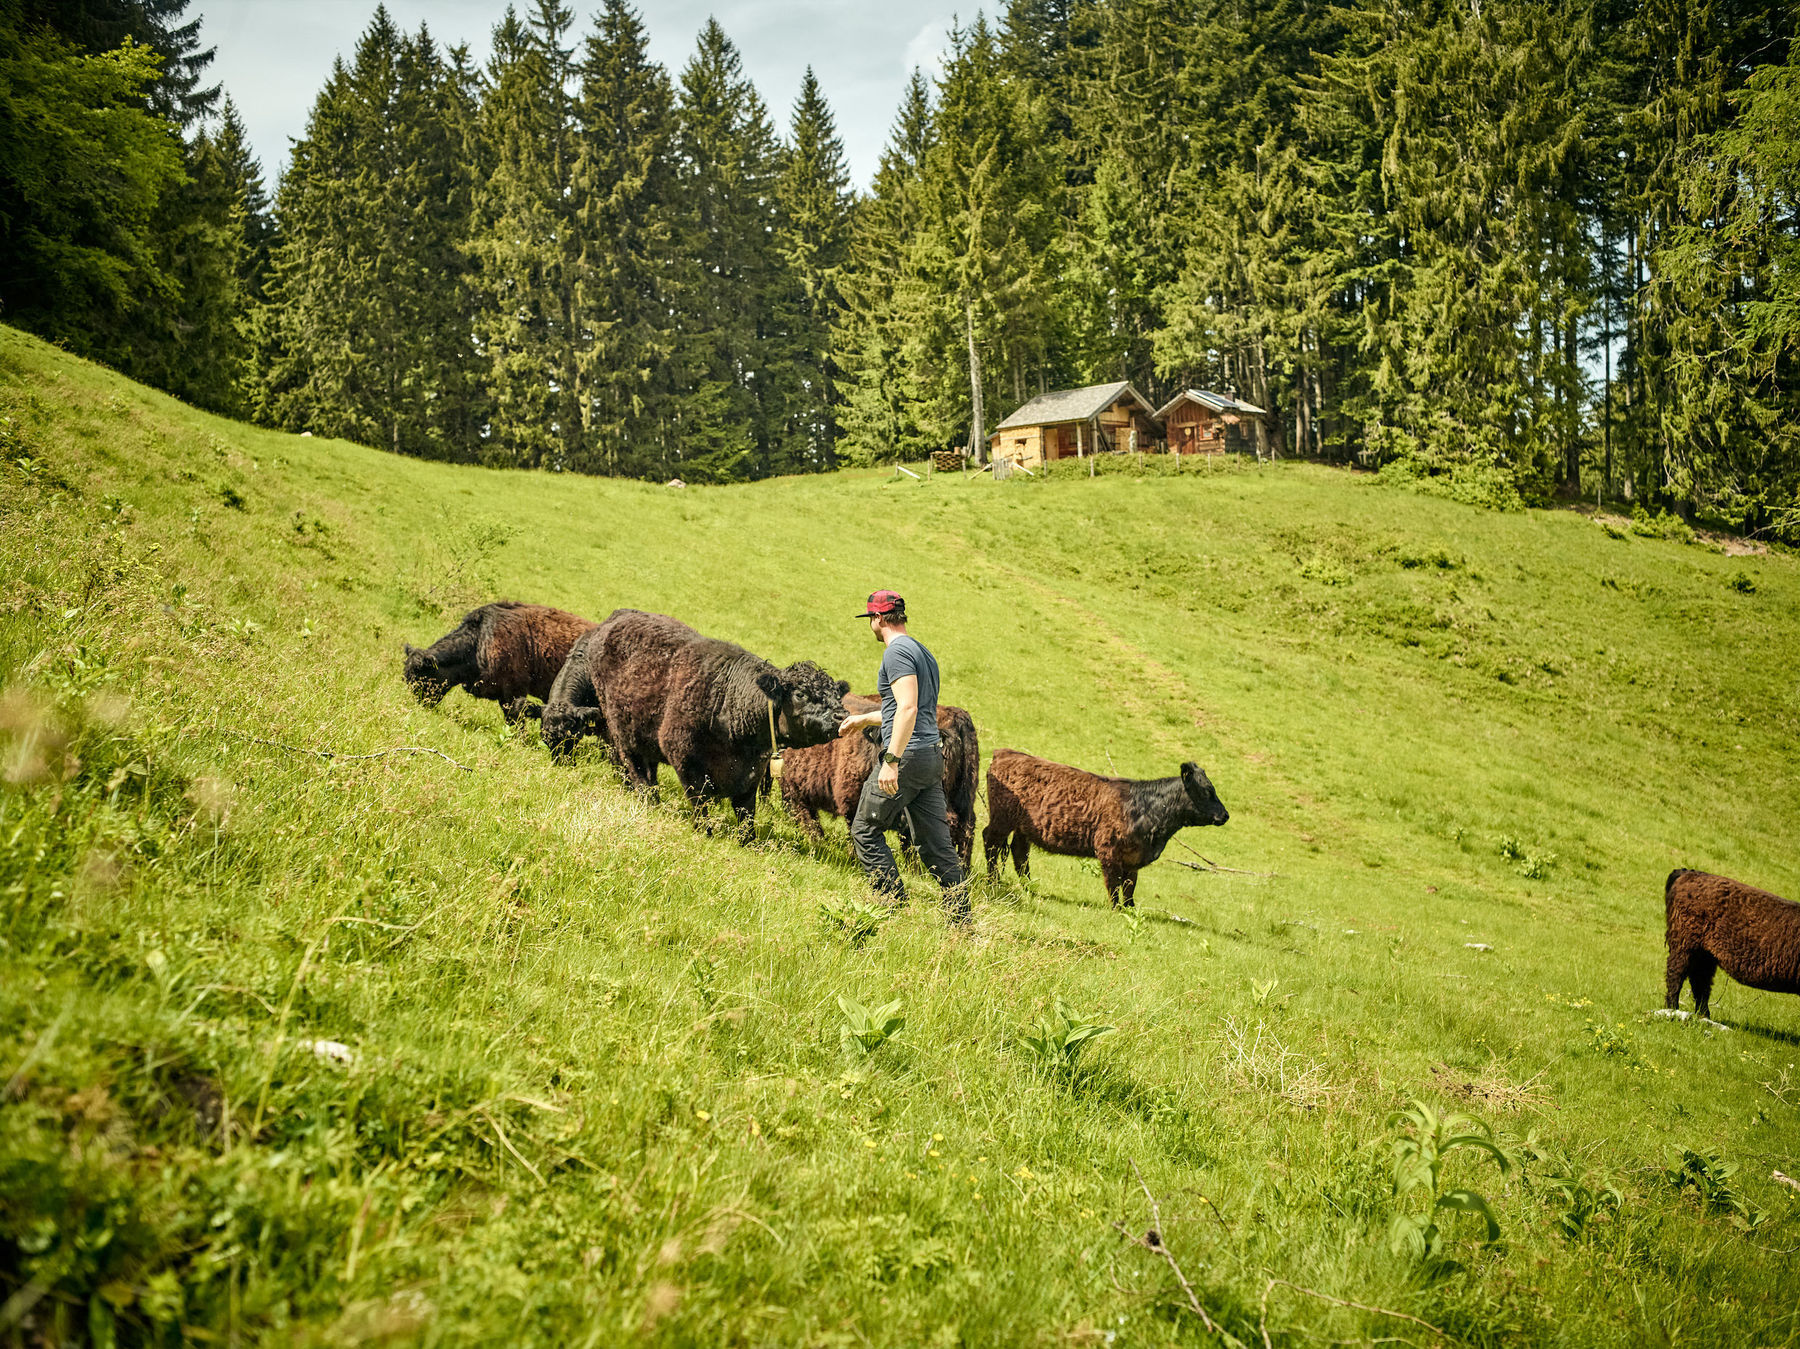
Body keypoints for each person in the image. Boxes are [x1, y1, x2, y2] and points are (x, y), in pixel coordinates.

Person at [839, 590, 969, 923]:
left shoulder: (896, 653)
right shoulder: (922, 652)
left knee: (865, 830)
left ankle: (890, 905)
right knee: (937, 847)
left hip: (907, 756)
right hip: (930, 758)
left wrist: (891, 760)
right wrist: (864, 719)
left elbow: (908, 708)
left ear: (877, 618)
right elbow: (909, 708)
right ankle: (962, 921)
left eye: (870, 619)